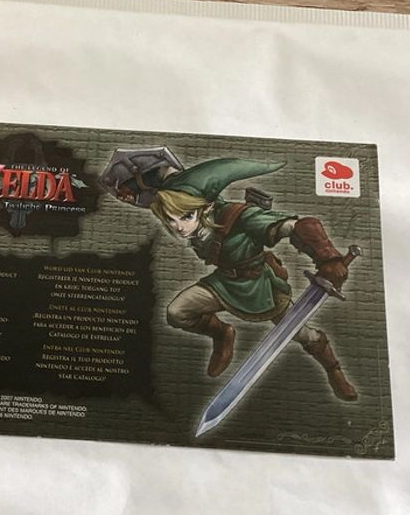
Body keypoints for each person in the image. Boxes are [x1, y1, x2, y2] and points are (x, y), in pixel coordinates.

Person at [149, 157, 357, 401]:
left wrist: (327, 257)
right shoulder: (195, 210)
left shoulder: (240, 217)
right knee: (177, 312)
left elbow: (294, 226)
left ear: (206, 207)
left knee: (303, 335)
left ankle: (334, 371)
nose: (178, 227)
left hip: (260, 287)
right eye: (171, 220)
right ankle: (222, 334)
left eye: (185, 217)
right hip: (223, 283)